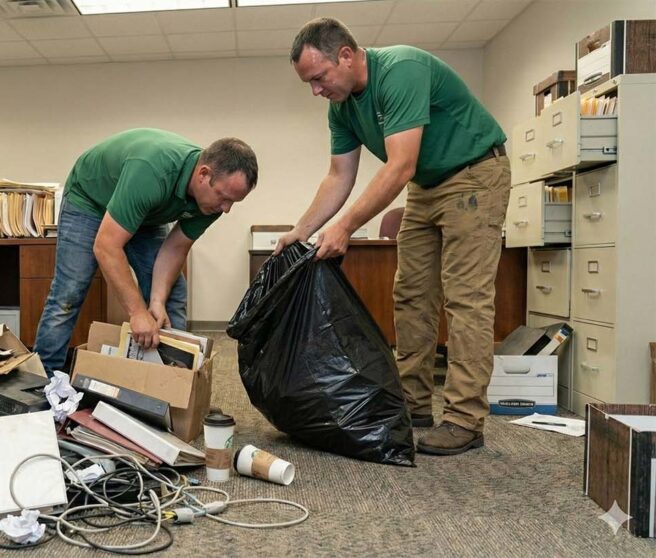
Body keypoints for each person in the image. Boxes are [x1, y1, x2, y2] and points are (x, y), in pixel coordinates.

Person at [276, 18, 511, 456]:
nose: (316, 90)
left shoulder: (401, 70)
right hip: (426, 184)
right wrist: (301, 230)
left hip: (474, 173)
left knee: (466, 298)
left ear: (346, 56)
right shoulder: (341, 107)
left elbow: (400, 165)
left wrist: (345, 226)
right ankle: (414, 403)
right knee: (411, 294)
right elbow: (338, 176)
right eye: (309, 83)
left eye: (319, 77)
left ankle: (464, 419)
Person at [34, 128, 258, 374]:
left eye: (233, 202)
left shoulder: (212, 203)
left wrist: (157, 301)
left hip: (146, 212)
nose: (226, 209)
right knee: (69, 292)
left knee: (172, 294)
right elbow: (106, 246)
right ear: (203, 174)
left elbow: (175, 249)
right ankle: (43, 379)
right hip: (90, 200)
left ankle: (173, 380)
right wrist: (138, 313)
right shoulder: (152, 172)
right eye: (223, 197)